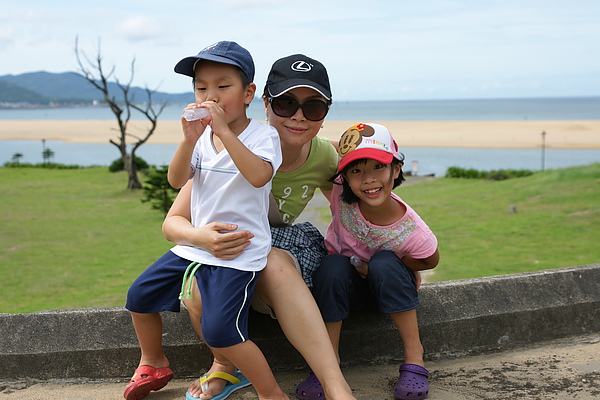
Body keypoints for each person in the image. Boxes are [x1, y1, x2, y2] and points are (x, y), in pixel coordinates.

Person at [163, 55, 356, 400]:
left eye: (313, 107)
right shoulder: (224, 147)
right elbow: (173, 221)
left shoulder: (324, 157)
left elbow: (353, 211)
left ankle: (336, 386)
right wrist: (201, 238)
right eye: (285, 104)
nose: (298, 116)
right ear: (264, 103)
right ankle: (224, 365)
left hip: (276, 256)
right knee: (194, 290)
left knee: (273, 261)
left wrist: (394, 256)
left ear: (325, 115)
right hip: (229, 252)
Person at [124, 41, 289, 400]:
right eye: (201, 87)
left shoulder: (264, 135)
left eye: (222, 86)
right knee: (139, 295)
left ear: (248, 93)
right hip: (195, 246)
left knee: (221, 332)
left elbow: (259, 176)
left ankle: (270, 391)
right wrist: (187, 141)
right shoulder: (201, 139)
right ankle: (153, 360)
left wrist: (225, 133)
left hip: (237, 251)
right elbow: (175, 180)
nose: (209, 95)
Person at [311, 122, 440, 400]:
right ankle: (328, 363)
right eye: (356, 171)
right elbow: (320, 148)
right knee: (331, 265)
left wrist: (402, 263)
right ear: (344, 177)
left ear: (396, 169)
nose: (368, 179)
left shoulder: (412, 231)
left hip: (389, 290)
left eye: (378, 168)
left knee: (383, 262)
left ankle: (415, 358)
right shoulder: (340, 195)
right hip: (346, 291)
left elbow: (430, 260)